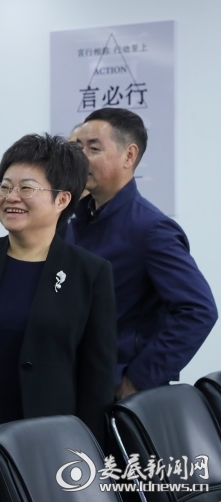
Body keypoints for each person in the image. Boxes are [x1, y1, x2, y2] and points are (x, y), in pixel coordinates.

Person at [0, 133, 116, 446]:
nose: (11, 197)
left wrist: (89, 453)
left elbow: (97, 379)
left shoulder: (90, 273)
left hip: (50, 441)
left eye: (26, 188)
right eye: (5, 186)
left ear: (62, 200)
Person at [69, 108, 217, 399]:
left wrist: (138, 381)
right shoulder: (74, 225)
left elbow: (198, 310)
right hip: (74, 383)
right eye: (77, 148)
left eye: (93, 149)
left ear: (129, 156)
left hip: (116, 393)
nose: (81, 157)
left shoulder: (150, 228)